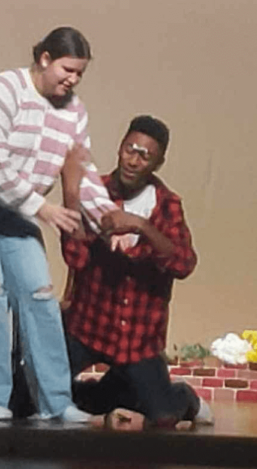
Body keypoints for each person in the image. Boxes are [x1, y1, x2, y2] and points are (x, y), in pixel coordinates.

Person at [0, 27, 116, 424]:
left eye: (80, 73)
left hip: (18, 207)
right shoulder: (3, 90)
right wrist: (42, 209)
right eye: (68, 69)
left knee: (39, 295)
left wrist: (107, 219)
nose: (73, 79)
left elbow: (82, 172)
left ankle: (55, 403)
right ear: (45, 59)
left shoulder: (74, 112)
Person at [59, 114, 206, 428]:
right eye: (130, 149)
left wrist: (141, 226)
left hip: (138, 339)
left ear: (158, 162)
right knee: (38, 397)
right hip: (89, 327)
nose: (134, 160)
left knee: (164, 415)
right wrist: (71, 194)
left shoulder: (167, 204)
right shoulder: (96, 192)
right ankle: (113, 390)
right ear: (120, 147)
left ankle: (185, 397)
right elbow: (75, 256)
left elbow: (183, 263)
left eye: (145, 155)